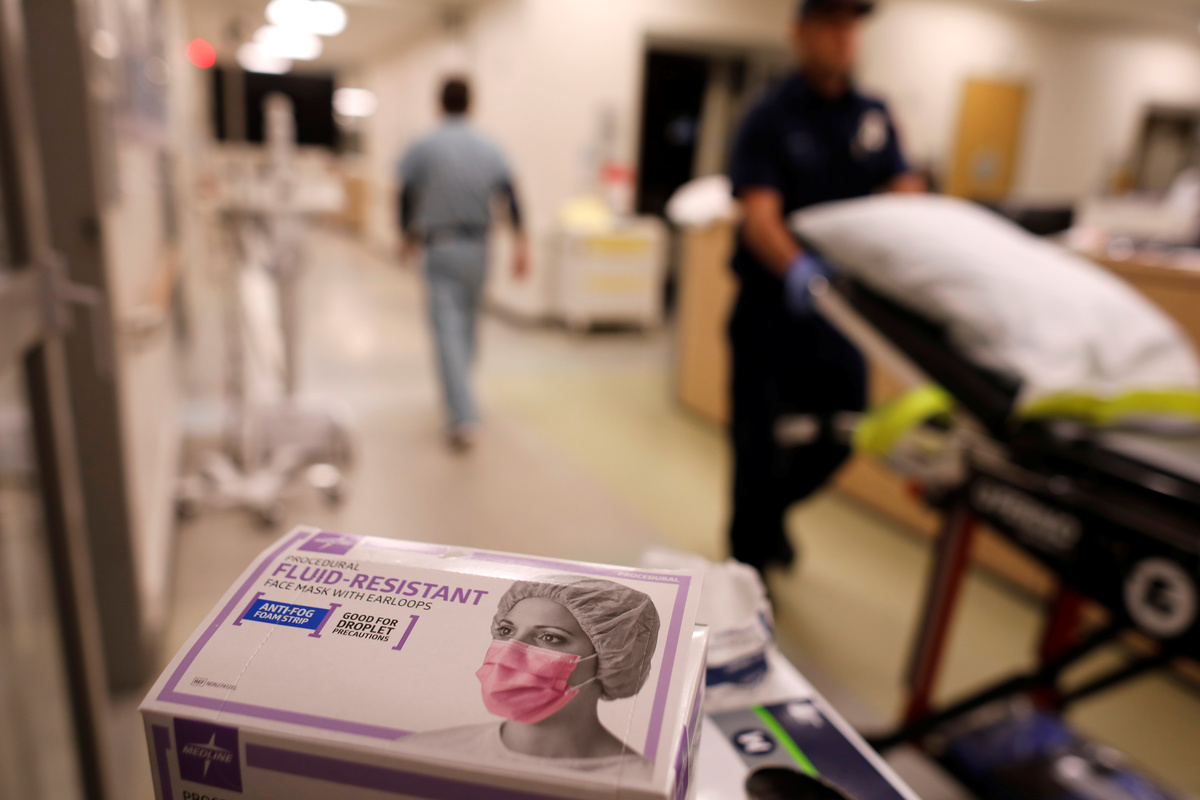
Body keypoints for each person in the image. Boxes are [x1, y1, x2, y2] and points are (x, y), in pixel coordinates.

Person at [726, 0, 925, 575]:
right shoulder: (769, 116)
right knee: (758, 445)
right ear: (800, 33)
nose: (845, 36)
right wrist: (799, 270)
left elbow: (906, 191)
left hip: (840, 316)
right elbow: (759, 216)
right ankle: (745, 569)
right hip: (771, 310)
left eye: (852, 25)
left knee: (843, 433)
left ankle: (768, 518)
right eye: (832, 24)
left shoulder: (872, 116)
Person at [402, 577, 661, 780]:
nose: (509, 652)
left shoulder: (641, 785)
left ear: (614, 656)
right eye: (506, 631)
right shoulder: (420, 753)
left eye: (549, 637)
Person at [398, 77, 529, 451]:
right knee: (468, 327)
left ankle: (463, 416)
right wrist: (521, 243)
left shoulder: (424, 145)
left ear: (438, 103)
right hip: (479, 248)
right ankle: (462, 395)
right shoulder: (490, 147)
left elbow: (406, 193)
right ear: (472, 104)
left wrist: (406, 235)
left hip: (440, 246)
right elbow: (510, 195)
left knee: (447, 332)